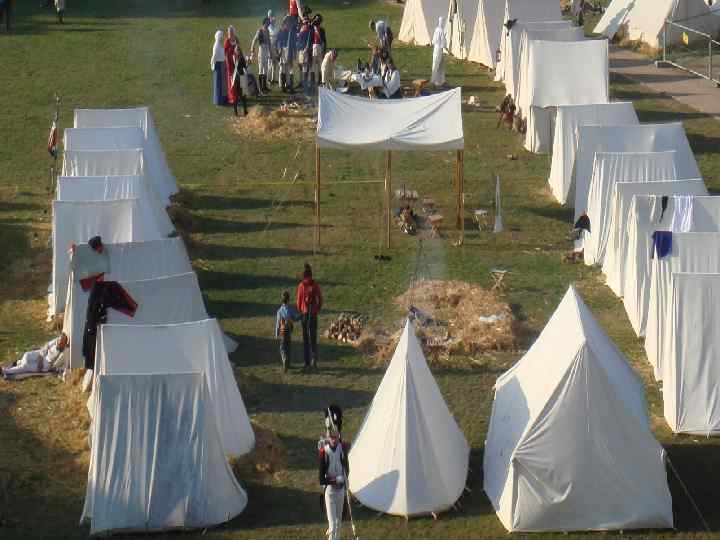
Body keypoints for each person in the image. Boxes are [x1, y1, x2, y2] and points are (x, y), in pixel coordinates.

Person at [318, 405, 350, 540]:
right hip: (330, 491)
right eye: (331, 437)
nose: (334, 439)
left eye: (335, 437)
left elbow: (346, 467)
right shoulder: (324, 452)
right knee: (332, 525)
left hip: (341, 490)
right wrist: (335, 480)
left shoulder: (342, 449)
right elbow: (321, 479)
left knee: (338, 524)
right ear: (328, 437)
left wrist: (345, 479)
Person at [3, 333, 68, 379]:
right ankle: (18, 363)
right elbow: (47, 345)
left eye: (61, 342)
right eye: (59, 341)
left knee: (25, 366)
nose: (58, 343)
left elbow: (55, 365)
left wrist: (47, 366)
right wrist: (41, 357)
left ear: (64, 344)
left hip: (46, 364)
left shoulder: (63, 352)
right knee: (26, 355)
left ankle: (6, 371)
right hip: (43, 354)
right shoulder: (56, 340)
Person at [296, 262, 322, 370]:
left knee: (305, 339)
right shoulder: (315, 285)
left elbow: (298, 302)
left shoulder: (301, 286)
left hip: (305, 315)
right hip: (313, 314)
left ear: (303, 275)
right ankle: (314, 360)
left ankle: (306, 363)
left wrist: (301, 310)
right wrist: (317, 309)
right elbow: (320, 298)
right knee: (313, 338)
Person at [275, 290, 301, 373]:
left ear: (281, 300)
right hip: (288, 331)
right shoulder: (290, 310)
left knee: (282, 348)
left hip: (282, 332)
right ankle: (288, 363)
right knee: (288, 347)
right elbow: (296, 318)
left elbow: (278, 323)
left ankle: (284, 359)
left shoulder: (279, 311)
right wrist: (301, 315)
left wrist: (276, 333)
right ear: (288, 300)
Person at [250, 17, 272, 94]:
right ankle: (260, 88)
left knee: (265, 69)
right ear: (264, 23)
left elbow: (269, 42)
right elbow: (254, 40)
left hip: (266, 50)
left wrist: (270, 52)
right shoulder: (260, 31)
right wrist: (252, 48)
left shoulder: (268, 31)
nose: (269, 24)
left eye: (269, 23)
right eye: (268, 22)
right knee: (261, 69)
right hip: (261, 50)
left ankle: (264, 86)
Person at [278, 15, 297, 93]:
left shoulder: (292, 31)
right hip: (283, 50)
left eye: (290, 21)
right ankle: (283, 87)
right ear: (285, 22)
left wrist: (295, 52)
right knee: (283, 68)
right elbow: (278, 41)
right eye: (288, 21)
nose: (289, 23)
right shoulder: (281, 30)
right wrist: (279, 49)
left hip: (290, 50)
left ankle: (289, 85)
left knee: (290, 69)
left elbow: (294, 42)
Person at [296, 16, 313, 95]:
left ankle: (304, 85)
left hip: (303, 51)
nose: (305, 24)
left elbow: (303, 41)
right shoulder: (307, 30)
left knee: (304, 68)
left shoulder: (305, 30)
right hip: (303, 51)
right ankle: (304, 85)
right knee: (304, 68)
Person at [224, 26, 240, 108]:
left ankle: (238, 95)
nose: (230, 33)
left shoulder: (236, 39)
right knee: (231, 81)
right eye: (229, 32)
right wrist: (230, 56)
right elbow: (225, 52)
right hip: (230, 63)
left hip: (236, 63)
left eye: (231, 31)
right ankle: (232, 97)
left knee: (237, 79)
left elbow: (239, 48)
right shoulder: (227, 41)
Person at [231, 43, 249, 116]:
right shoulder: (237, 58)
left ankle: (244, 111)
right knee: (238, 96)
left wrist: (248, 62)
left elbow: (244, 67)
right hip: (238, 78)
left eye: (238, 50)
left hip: (239, 77)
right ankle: (238, 112)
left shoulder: (237, 58)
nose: (237, 51)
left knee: (241, 96)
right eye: (237, 50)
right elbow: (244, 67)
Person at [310, 14, 326, 91]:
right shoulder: (321, 30)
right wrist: (324, 50)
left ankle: (313, 82)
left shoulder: (312, 29)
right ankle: (319, 81)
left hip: (314, 47)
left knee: (313, 66)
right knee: (320, 66)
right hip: (319, 47)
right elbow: (324, 41)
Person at [211, 30, 227, 105]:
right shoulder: (216, 45)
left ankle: (224, 99)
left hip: (222, 64)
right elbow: (214, 57)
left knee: (223, 83)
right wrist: (212, 65)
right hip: (218, 66)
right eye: (221, 36)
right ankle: (219, 100)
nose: (222, 38)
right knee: (219, 83)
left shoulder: (219, 44)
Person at [431, 17, 447, 87]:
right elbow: (442, 41)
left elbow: (434, 40)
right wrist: (445, 46)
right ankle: (433, 81)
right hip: (438, 49)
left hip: (438, 49)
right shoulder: (440, 30)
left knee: (440, 65)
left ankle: (441, 81)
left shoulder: (437, 29)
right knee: (436, 65)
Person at [267, 9, 280, 85]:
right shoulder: (268, 28)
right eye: (271, 17)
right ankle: (268, 79)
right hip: (270, 47)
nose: (273, 20)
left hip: (275, 47)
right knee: (270, 64)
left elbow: (278, 38)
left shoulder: (276, 27)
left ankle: (273, 79)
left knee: (275, 64)